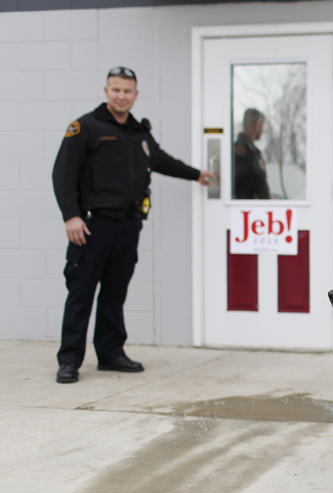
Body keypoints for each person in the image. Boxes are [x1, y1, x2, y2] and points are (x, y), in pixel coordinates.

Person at [52, 66, 216, 385]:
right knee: (81, 293)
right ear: (106, 91)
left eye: (127, 91)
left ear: (136, 95)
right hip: (91, 226)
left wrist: (196, 174)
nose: (122, 96)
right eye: (116, 90)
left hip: (128, 226)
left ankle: (111, 353)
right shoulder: (85, 127)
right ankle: (69, 360)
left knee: (115, 293)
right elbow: (63, 173)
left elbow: (161, 160)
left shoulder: (139, 133)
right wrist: (71, 216)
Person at [234, 108, 271, 199]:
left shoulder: (251, 150)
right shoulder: (242, 151)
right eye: (262, 126)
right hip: (248, 208)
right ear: (256, 125)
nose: (262, 130)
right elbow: (243, 185)